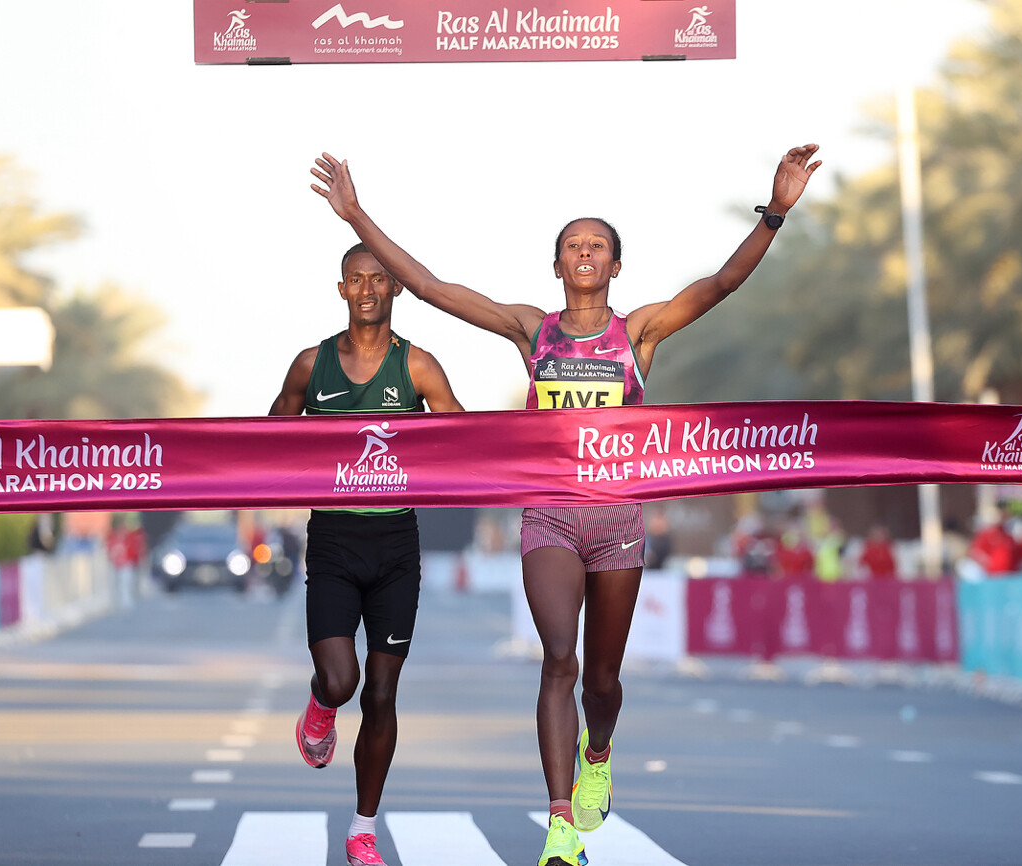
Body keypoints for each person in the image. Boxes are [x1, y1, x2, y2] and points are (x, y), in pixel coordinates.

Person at [310, 144, 821, 866]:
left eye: (597, 245)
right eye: (573, 245)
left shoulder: (638, 332)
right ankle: (559, 824)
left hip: (618, 521)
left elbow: (720, 285)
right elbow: (427, 287)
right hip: (549, 514)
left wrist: (774, 213)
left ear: (616, 265)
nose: (585, 252)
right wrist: (356, 214)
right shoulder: (533, 330)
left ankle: (599, 751)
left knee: (602, 681)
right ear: (556, 266)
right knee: (559, 660)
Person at [269, 242, 463, 866]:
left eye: (380, 279)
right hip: (333, 541)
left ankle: (362, 829)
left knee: (380, 694)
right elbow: (268, 438)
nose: (369, 289)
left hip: (396, 546)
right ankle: (321, 705)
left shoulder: (418, 366)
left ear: (395, 288)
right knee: (341, 680)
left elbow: (464, 440)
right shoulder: (312, 364)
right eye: (357, 279)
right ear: (342, 289)